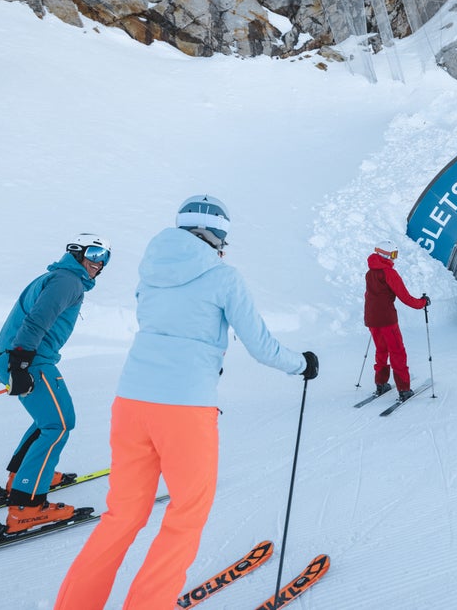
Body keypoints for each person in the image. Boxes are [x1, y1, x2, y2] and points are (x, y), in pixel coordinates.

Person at [55, 194, 318, 610]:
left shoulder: (149, 273)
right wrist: (301, 364)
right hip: (184, 410)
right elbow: (261, 345)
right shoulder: (222, 276)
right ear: (214, 234)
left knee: (122, 516)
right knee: (185, 516)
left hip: (130, 403)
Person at [0, 233, 111, 533]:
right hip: (31, 361)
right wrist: (18, 363)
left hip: (15, 356)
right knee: (59, 423)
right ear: (76, 251)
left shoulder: (56, 277)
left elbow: (20, 316)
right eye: (95, 253)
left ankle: (22, 476)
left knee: (49, 420)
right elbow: (36, 321)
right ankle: (27, 506)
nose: (99, 263)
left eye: (105, 257)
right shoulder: (67, 281)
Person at [364, 241, 429, 402]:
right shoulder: (389, 273)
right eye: (393, 255)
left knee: (381, 350)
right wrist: (422, 303)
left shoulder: (369, 272)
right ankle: (404, 389)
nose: (394, 259)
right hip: (387, 319)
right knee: (397, 351)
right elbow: (404, 297)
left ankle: (381, 383)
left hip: (372, 318)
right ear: (386, 254)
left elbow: (370, 295)